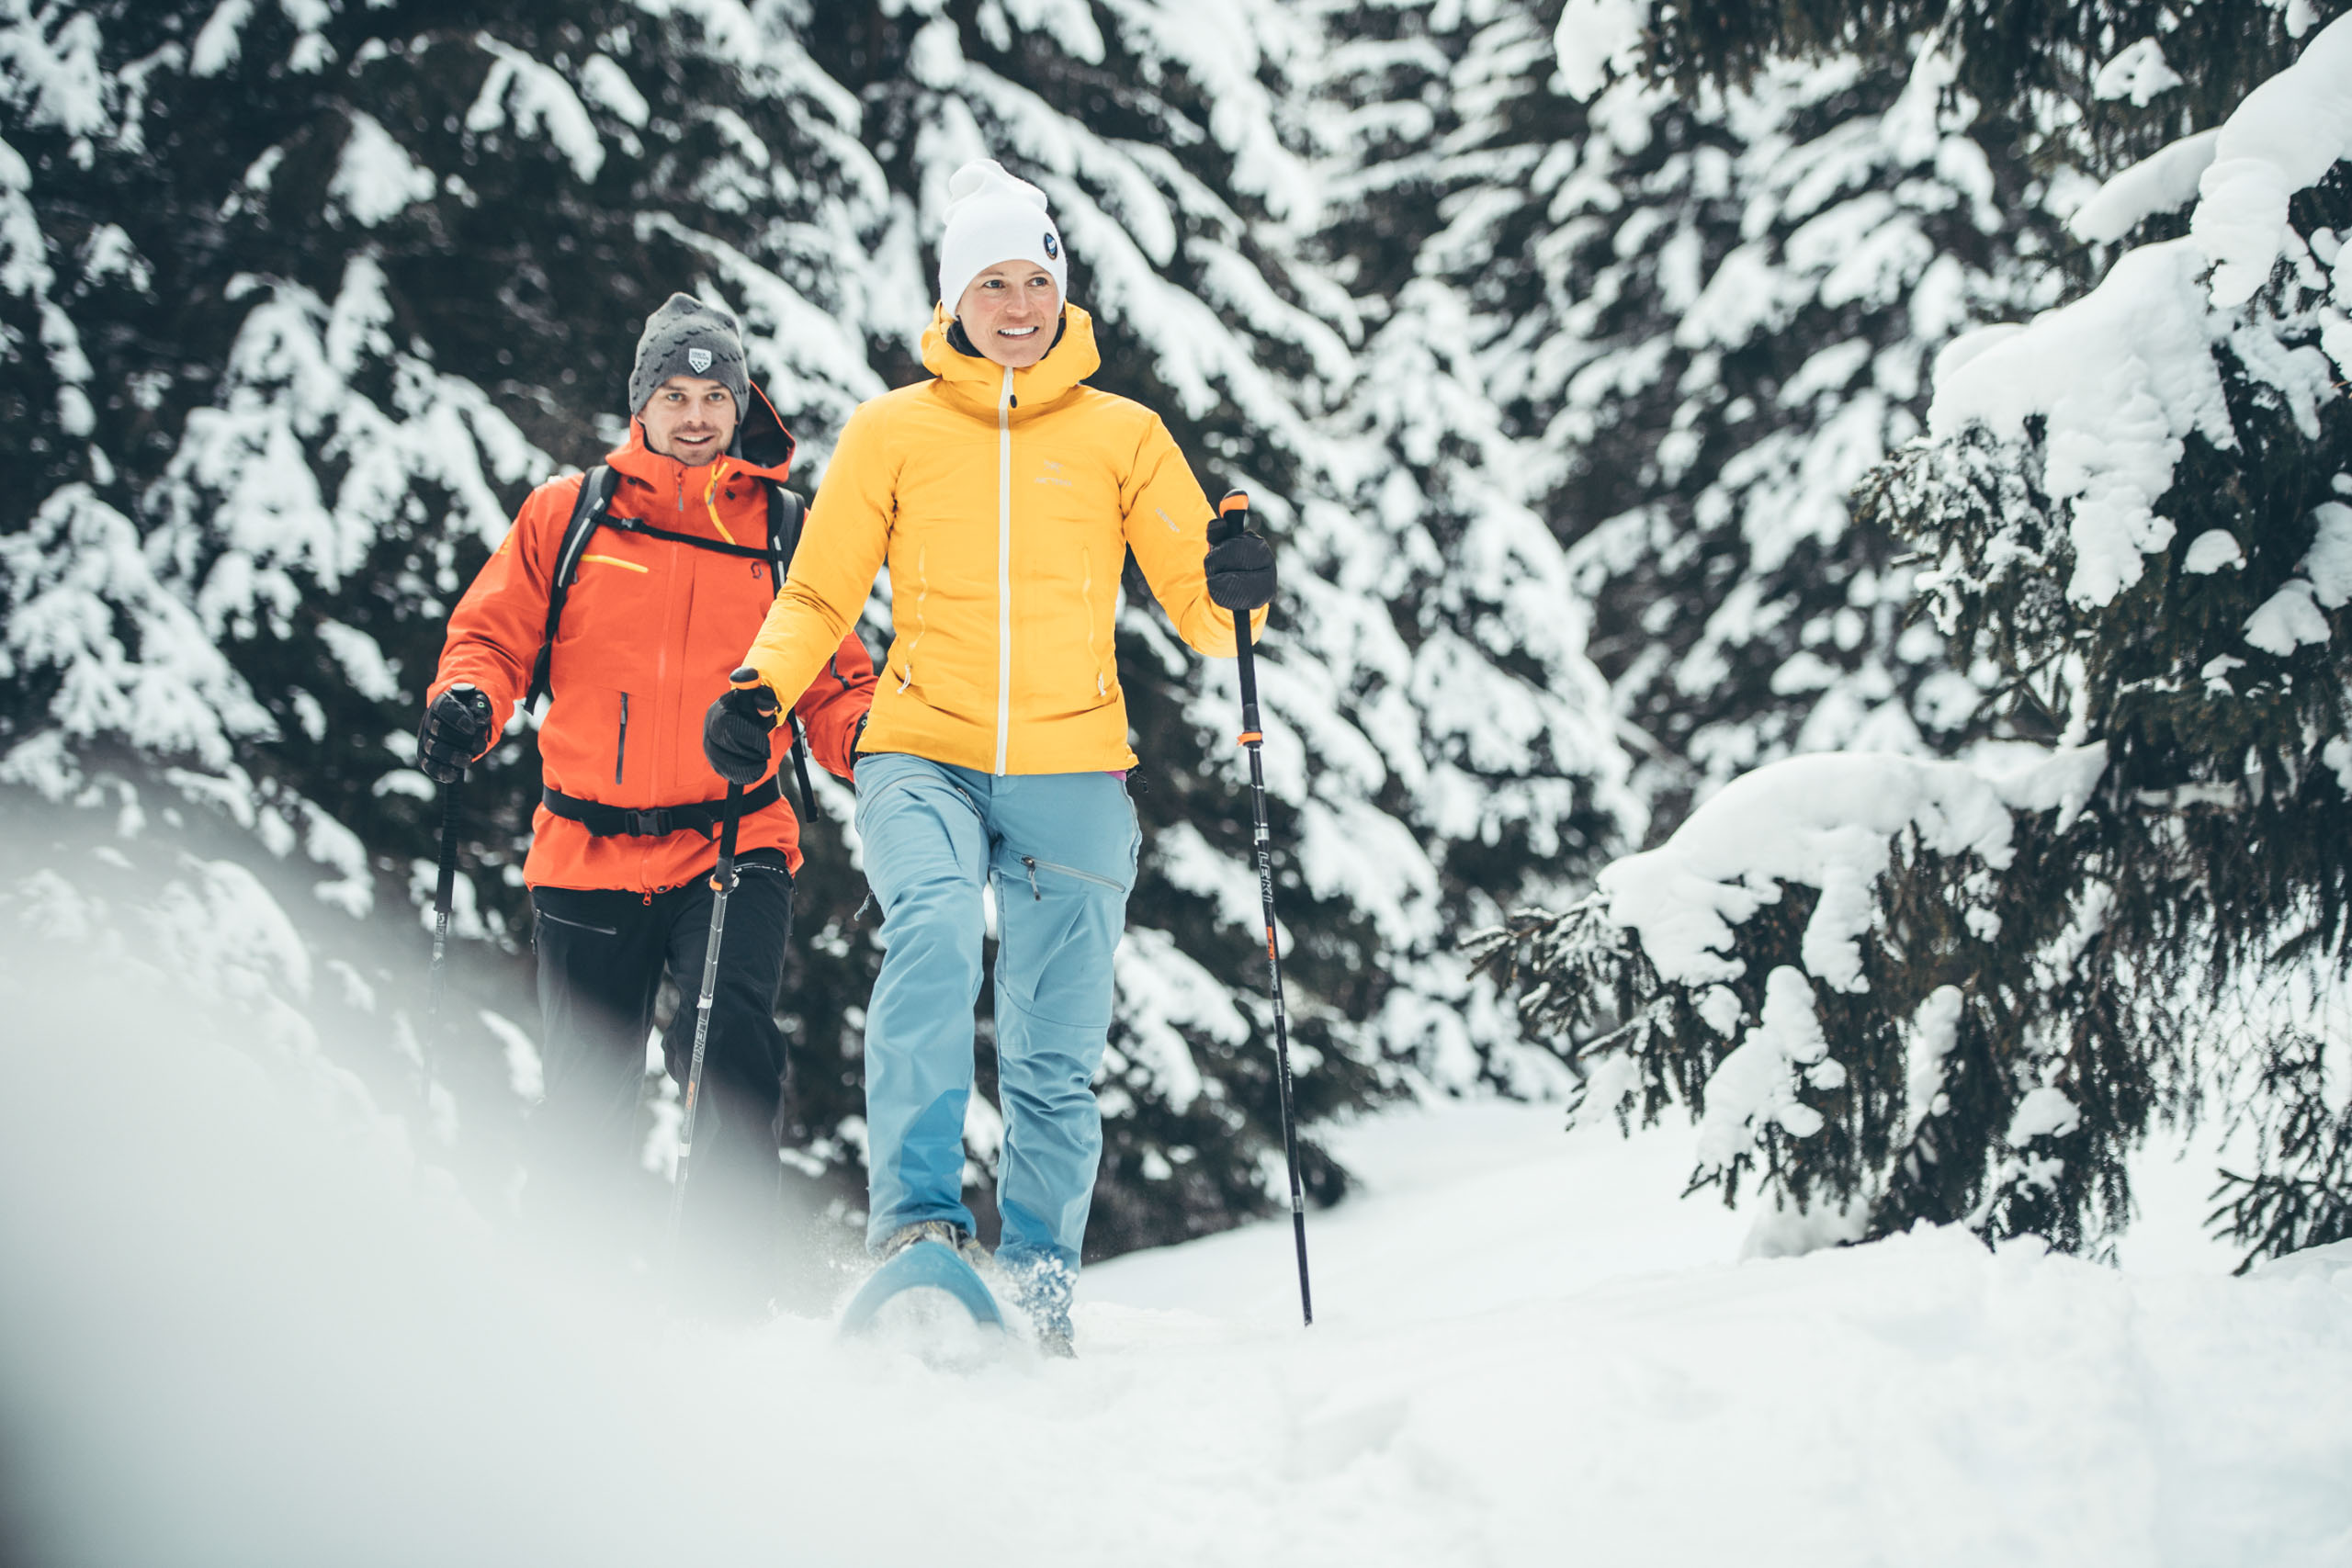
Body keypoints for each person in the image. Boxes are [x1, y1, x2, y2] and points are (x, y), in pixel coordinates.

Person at [701, 160, 1278, 1353]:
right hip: (922, 748)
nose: (1016, 304)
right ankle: (917, 1226)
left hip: (1074, 771)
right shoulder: (893, 429)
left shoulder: (1125, 434)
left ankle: (1041, 1270)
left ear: (1061, 288)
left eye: (1034, 279)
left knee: (1053, 1043)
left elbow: (1200, 603)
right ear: (953, 299)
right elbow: (821, 585)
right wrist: (762, 682)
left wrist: (1238, 591)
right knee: (931, 927)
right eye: (990, 282)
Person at [418, 293, 875, 1313]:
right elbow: (492, 637)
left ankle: (724, 1293)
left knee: (729, 1051)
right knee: (586, 1088)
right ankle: (564, 1302)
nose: (699, 415)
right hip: (584, 845)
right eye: (676, 393)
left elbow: (839, 682)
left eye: (717, 395)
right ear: (642, 401)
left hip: (732, 838)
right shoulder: (568, 513)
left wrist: (881, 760)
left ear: (742, 401)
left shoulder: (787, 530)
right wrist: (467, 704)